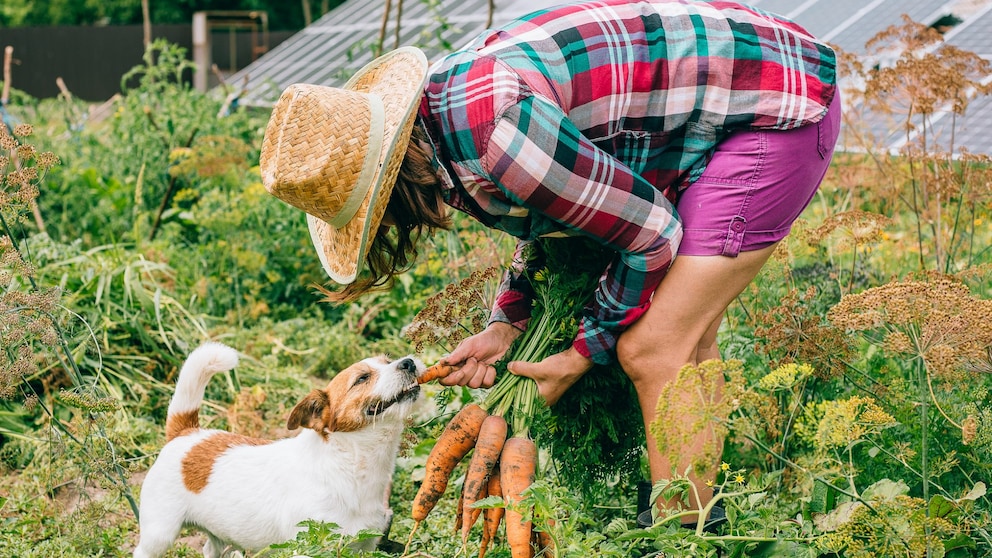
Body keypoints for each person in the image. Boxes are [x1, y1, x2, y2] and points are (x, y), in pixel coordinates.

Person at [260, 0, 840, 531]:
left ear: (390, 192)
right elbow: (558, 213)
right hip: (713, 111)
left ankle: (678, 534)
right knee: (688, 337)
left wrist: (580, 355)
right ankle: (700, 516)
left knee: (652, 347)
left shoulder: (494, 132)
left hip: (775, 104)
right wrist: (506, 323)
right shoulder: (438, 129)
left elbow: (652, 233)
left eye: (372, 219)